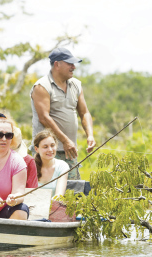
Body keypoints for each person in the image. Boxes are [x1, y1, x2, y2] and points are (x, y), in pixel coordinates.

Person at [30, 47, 96, 180]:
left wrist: (90, 135)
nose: (74, 67)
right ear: (57, 64)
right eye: (69, 63)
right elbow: (44, 118)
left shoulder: (76, 85)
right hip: (46, 151)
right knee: (46, 190)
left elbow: (84, 113)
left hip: (69, 151)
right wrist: (65, 141)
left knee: (72, 191)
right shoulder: (42, 86)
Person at [33, 129, 69, 197]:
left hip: (54, 205)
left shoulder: (62, 166)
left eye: (52, 145)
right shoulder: (30, 166)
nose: (50, 150)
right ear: (36, 149)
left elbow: (59, 195)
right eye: (45, 147)